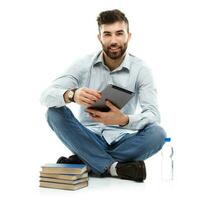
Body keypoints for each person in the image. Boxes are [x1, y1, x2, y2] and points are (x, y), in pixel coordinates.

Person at [40, 9, 166, 182]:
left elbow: (153, 115)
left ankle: (88, 160)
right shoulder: (83, 64)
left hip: (124, 140)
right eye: (107, 34)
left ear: (128, 36)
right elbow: (45, 95)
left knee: (157, 134)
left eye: (119, 34)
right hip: (87, 136)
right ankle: (114, 168)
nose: (113, 40)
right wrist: (72, 95)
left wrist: (123, 120)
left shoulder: (141, 70)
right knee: (54, 113)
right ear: (99, 38)